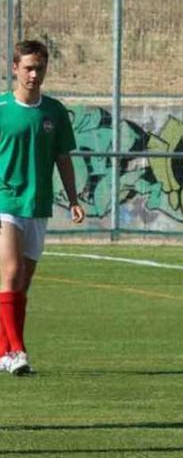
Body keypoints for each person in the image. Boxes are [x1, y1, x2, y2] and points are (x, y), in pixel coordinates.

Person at [0, 39, 84, 376]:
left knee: (23, 281)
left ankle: (4, 352)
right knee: (9, 273)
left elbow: (63, 158)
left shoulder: (54, 111)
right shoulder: (3, 108)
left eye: (40, 68)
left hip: (39, 203)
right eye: (28, 67)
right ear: (15, 68)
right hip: (5, 200)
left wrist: (74, 199)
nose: (34, 74)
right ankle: (18, 350)